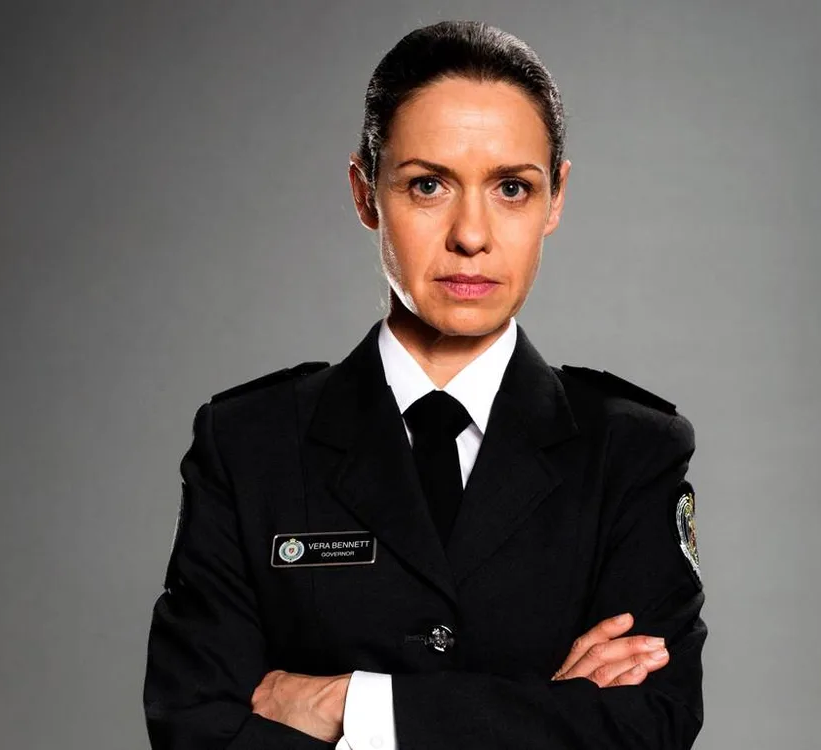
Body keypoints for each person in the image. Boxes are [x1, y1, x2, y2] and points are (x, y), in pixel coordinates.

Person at [143, 19, 706, 750]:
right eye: (428, 185)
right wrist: (546, 713)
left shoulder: (632, 452)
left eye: (511, 188)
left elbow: (647, 728)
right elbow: (195, 729)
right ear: (365, 192)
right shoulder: (249, 447)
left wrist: (359, 709)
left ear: (555, 200)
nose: (471, 234)